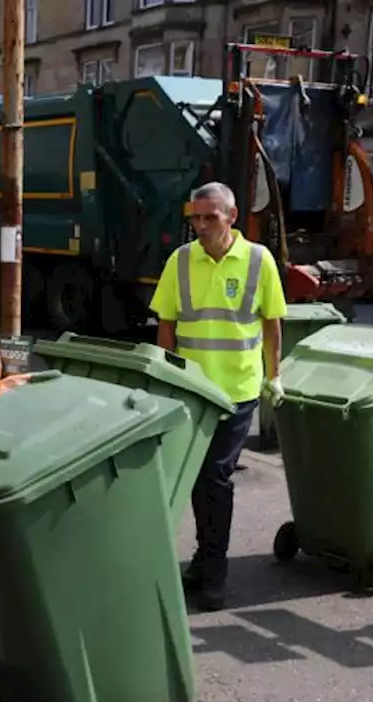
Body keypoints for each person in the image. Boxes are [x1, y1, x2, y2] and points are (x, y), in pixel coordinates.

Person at [150, 182, 287, 612]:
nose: (202, 225)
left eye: (211, 217)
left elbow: (272, 324)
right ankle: (203, 559)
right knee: (193, 477)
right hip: (192, 390)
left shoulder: (258, 261)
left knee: (214, 478)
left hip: (236, 391)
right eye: (196, 217)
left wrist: (274, 376)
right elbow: (167, 323)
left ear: (231, 217)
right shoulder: (181, 260)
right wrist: (167, 375)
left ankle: (214, 573)